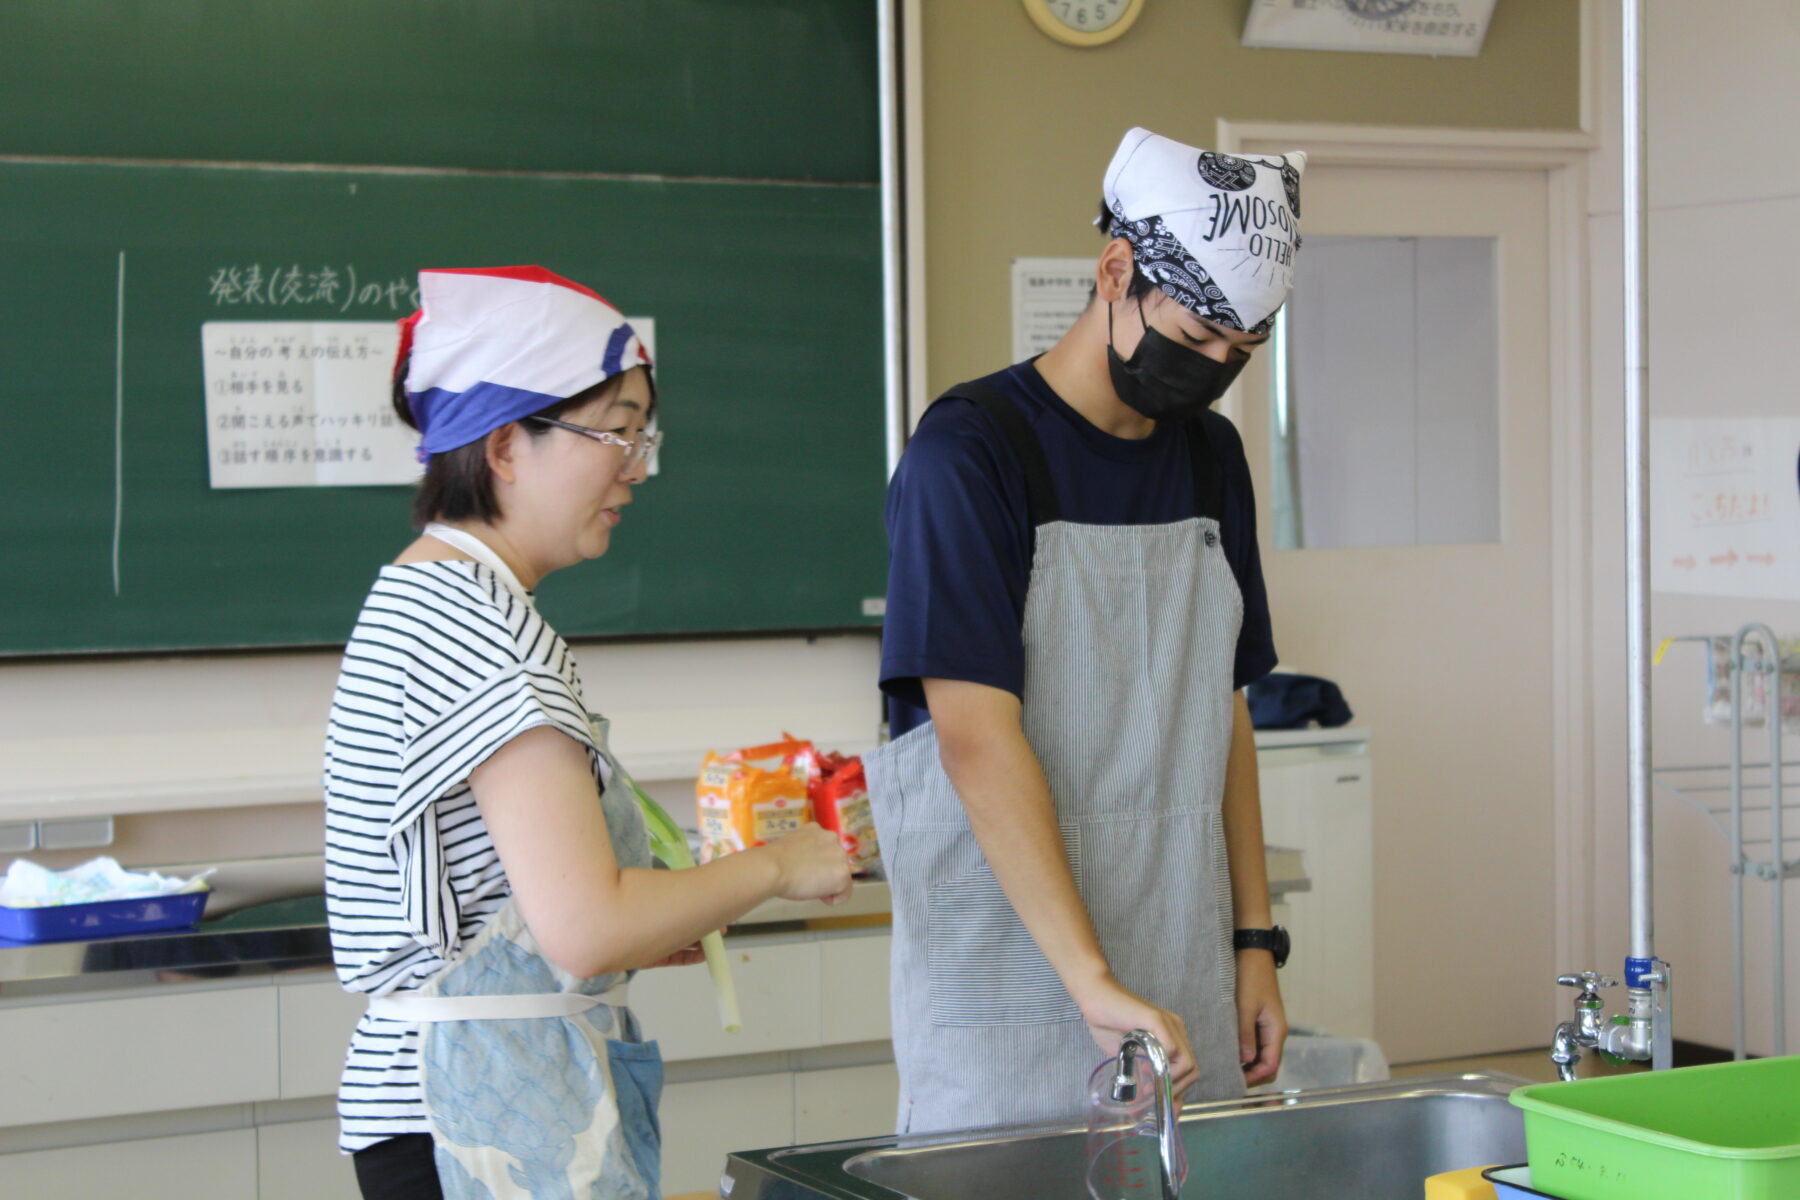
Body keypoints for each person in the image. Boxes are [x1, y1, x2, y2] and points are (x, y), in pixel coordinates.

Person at [323, 265, 854, 1199]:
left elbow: (546, 909)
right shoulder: (477, 630)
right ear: (504, 446)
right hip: (471, 1114)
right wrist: (779, 867)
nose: (639, 466)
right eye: (614, 431)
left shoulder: (436, 595)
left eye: (642, 433)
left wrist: (667, 912)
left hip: (469, 1099)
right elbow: (587, 928)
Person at [865, 129, 1303, 1134]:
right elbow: (975, 737)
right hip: (1007, 967)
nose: (1213, 371)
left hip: (1176, 946)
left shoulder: (1211, 460)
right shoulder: (969, 455)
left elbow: (1220, 708)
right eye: (1196, 340)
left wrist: (1252, 943)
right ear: (1117, 270)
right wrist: (1092, 981)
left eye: (1241, 353)